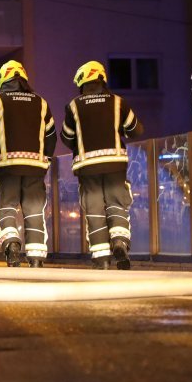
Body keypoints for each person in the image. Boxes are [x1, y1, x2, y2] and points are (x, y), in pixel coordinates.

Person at [60, 61, 144, 270]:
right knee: (117, 204)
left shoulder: (74, 105)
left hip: (87, 166)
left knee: (95, 208)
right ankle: (119, 242)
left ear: (82, 81)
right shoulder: (118, 102)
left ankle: (101, 259)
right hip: (115, 164)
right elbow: (136, 130)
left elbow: (66, 137)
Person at [0, 60, 57, 268]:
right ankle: (37, 256)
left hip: (6, 168)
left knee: (3, 207)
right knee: (34, 210)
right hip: (36, 169)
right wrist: (45, 161)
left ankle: (12, 245)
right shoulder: (41, 103)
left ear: (3, 79)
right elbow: (51, 136)